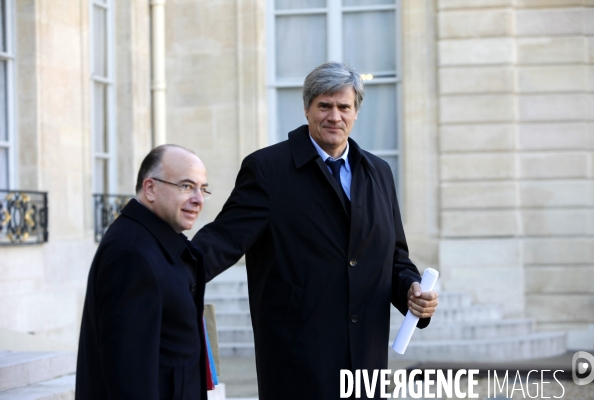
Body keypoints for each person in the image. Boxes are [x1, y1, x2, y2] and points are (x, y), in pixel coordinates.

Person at [193, 62, 439, 399]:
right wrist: (171, 271)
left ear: (356, 112)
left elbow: (393, 255)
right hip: (298, 364)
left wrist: (411, 289)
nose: (334, 116)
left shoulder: (379, 173)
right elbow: (222, 239)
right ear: (307, 108)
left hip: (365, 364)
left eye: (343, 107)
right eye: (324, 105)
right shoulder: (267, 170)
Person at [76, 145, 211, 400]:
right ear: (150, 188)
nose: (198, 199)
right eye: (186, 186)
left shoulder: (153, 243)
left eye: (202, 189)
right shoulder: (131, 252)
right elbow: (129, 377)